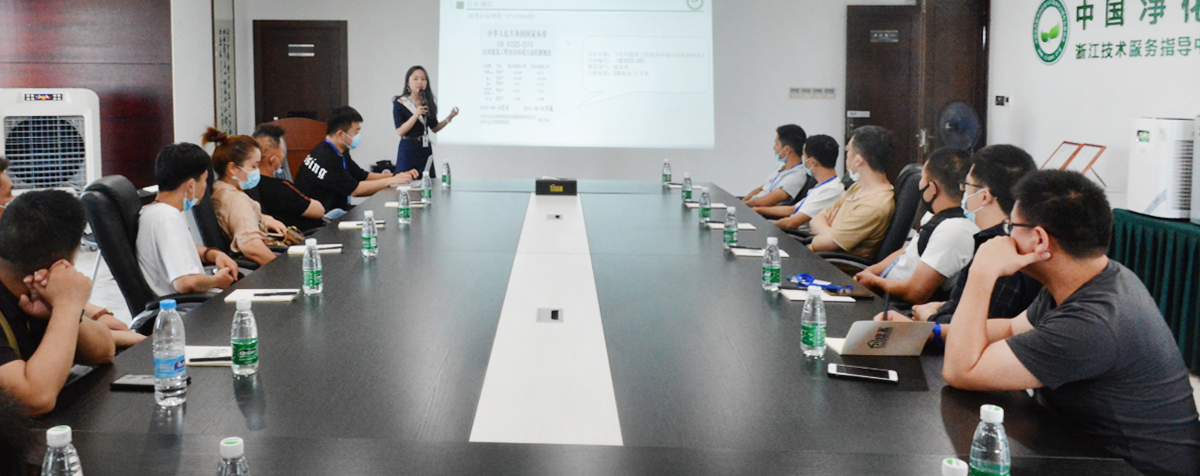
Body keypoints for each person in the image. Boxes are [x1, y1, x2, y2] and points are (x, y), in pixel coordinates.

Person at [941, 170, 1200, 476]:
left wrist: (982, 273)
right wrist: (930, 333)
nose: (1005, 237)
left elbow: (961, 371)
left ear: (1040, 239)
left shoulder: (1094, 322)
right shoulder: (1089, 277)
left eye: (1011, 226)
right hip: (1082, 450)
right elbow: (1011, 329)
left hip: (1130, 469)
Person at [0, 191, 116, 415]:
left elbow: (104, 351)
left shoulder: (35, 290)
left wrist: (58, 311)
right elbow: (34, 399)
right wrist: (66, 307)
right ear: (69, 258)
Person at [905, 145, 1043, 323]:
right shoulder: (1006, 240)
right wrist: (943, 307)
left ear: (984, 196)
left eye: (967, 186)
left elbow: (976, 327)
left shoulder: (1001, 251)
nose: (963, 193)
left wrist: (931, 318)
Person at [852, 147, 977, 305]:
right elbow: (909, 250)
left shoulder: (954, 230)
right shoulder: (935, 216)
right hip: (881, 293)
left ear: (932, 188)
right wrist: (871, 272)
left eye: (922, 179)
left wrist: (874, 281)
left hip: (896, 306)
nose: (919, 185)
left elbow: (915, 293)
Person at [138, 143, 239, 296]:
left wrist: (212, 254)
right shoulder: (167, 217)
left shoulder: (154, 212)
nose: (205, 186)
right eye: (204, 180)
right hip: (188, 306)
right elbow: (185, 283)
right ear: (191, 185)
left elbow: (176, 248)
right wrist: (217, 280)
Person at [296, 106, 418, 215]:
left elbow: (362, 176)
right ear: (340, 134)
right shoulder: (325, 157)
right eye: (356, 131)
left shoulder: (339, 150)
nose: (358, 136)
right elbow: (355, 190)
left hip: (335, 210)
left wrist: (397, 176)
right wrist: (391, 181)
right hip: (321, 217)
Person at [203, 127, 287, 266]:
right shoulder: (237, 200)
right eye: (254, 166)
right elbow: (251, 247)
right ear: (233, 169)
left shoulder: (220, 189)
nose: (257, 171)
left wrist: (263, 218)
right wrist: (284, 270)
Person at [808, 126, 895, 259]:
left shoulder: (873, 206)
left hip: (832, 266)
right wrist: (831, 232)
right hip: (819, 258)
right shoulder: (858, 187)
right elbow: (816, 219)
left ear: (858, 160)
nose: (846, 156)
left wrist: (827, 233)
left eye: (848, 150)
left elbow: (818, 244)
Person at [753, 135, 844, 228]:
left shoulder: (831, 190)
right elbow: (793, 209)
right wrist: (758, 210)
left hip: (798, 234)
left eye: (804, 157)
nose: (803, 161)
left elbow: (792, 223)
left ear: (812, 162)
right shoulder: (822, 186)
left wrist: (762, 226)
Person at [249, 124, 326, 231]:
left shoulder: (248, 187)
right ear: (274, 161)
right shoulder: (281, 188)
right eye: (282, 152)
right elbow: (319, 211)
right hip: (306, 234)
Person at [394, 65, 459, 179]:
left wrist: (449, 118)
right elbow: (400, 131)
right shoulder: (401, 103)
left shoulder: (427, 102)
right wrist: (416, 115)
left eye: (423, 79)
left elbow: (434, 128)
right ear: (408, 82)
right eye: (415, 79)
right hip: (408, 149)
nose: (420, 82)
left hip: (424, 149)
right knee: (405, 181)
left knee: (428, 181)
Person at [741, 125, 809, 208]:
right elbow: (762, 188)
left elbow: (765, 201)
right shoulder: (782, 167)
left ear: (787, 149)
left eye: (777, 144)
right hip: (751, 205)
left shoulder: (797, 176)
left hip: (759, 210)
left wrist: (744, 205)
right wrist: (742, 201)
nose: (774, 148)